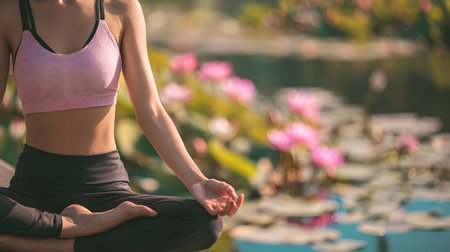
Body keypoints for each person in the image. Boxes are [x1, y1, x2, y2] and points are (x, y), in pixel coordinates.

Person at [0, 0, 244, 251]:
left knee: (204, 223)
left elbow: (151, 111)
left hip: (106, 192)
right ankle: (66, 226)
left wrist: (197, 181)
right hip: (33, 189)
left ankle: (42, 245)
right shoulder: (8, 11)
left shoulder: (120, 8)